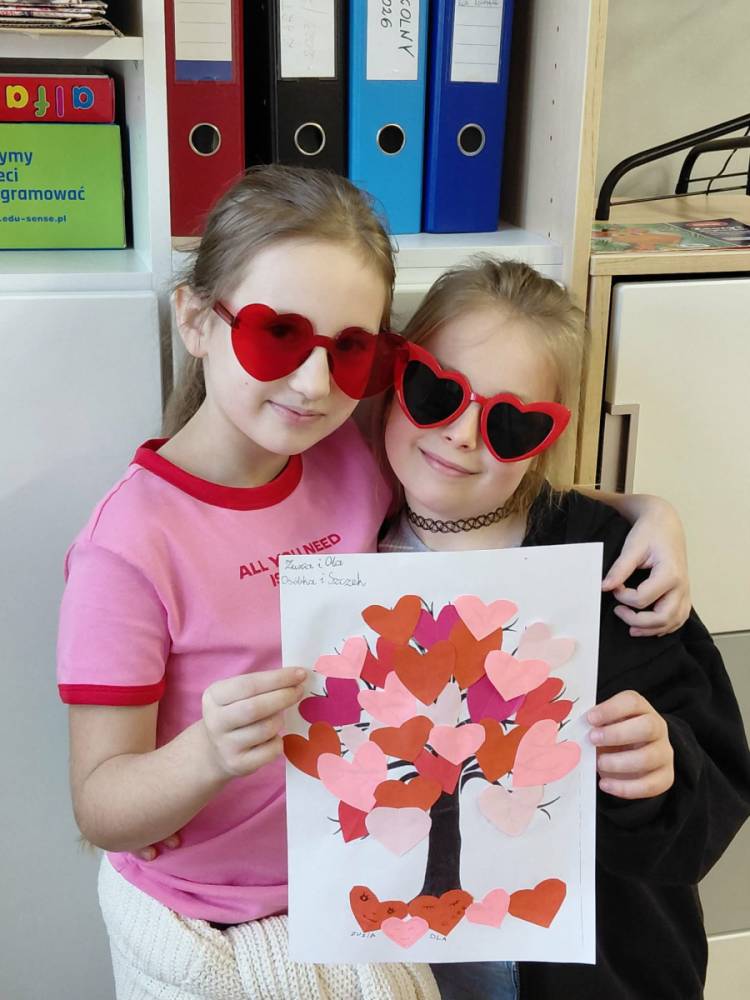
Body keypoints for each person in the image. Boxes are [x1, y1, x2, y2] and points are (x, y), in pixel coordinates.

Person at [58, 165, 692, 1000]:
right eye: (276, 334)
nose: (314, 382)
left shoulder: (345, 455)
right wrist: (204, 754)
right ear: (195, 318)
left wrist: (648, 510)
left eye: (351, 349)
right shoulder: (128, 549)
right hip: (231, 921)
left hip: (366, 896)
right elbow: (99, 806)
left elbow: (480, 472)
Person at [376, 256, 750, 1000]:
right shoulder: (338, 535)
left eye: (510, 425)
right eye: (435, 393)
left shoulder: (614, 571)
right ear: (394, 377)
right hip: (403, 968)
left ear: (544, 440)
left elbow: (715, 791)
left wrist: (660, 769)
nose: (461, 435)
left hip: (592, 973)